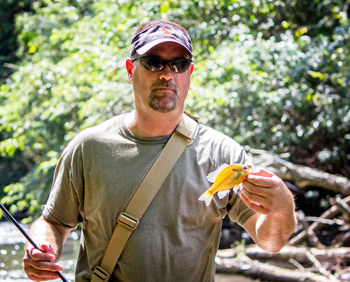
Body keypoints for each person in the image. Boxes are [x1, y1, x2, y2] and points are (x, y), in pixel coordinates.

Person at [23, 20, 296, 281]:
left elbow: (270, 241)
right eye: (154, 63)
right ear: (131, 69)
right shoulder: (88, 148)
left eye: (179, 64)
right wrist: (42, 248)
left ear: (189, 73)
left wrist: (281, 207)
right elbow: (54, 222)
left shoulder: (223, 153)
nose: (167, 74)